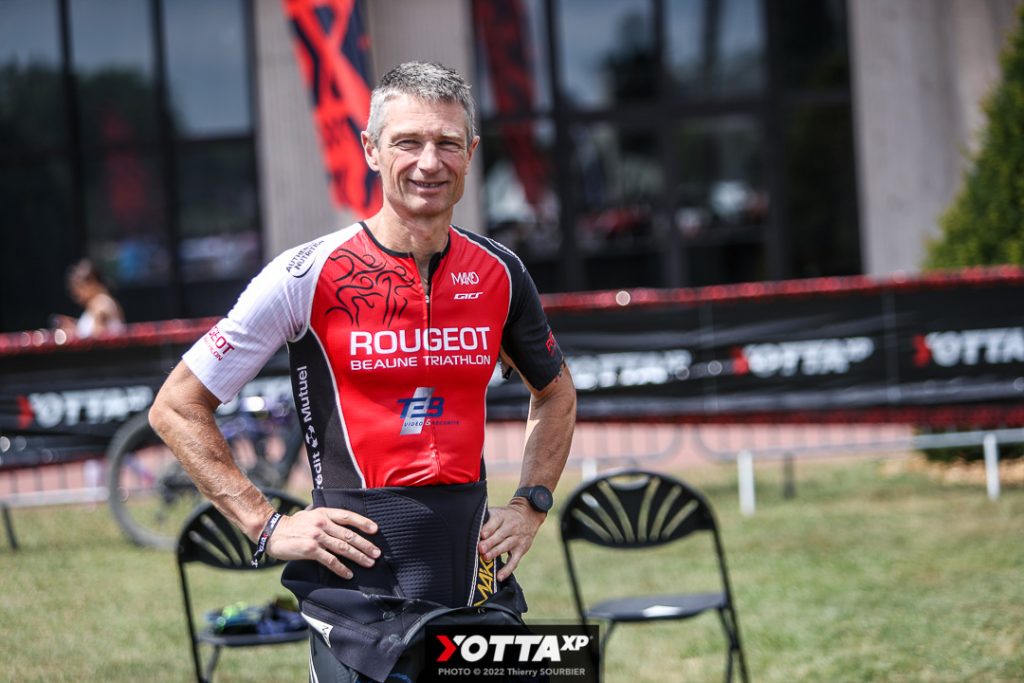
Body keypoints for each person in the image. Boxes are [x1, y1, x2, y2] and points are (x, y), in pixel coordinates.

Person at [149, 61, 576, 682]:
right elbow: (176, 405)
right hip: (358, 599)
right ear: (371, 150)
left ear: (471, 153)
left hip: (476, 580)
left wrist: (531, 504)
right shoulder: (304, 274)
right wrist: (265, 525)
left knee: (566, 666)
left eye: (447, 143)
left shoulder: (501, 272)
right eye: (407, 142)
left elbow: (557, 394)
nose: (428, 162)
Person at [52, 259, 126, 338]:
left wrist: (73, 334)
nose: (75, 293)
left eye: (79, 286)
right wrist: (74, 328)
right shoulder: (101, 302)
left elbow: (97, 339)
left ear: (92, 282)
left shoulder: (100, 304)